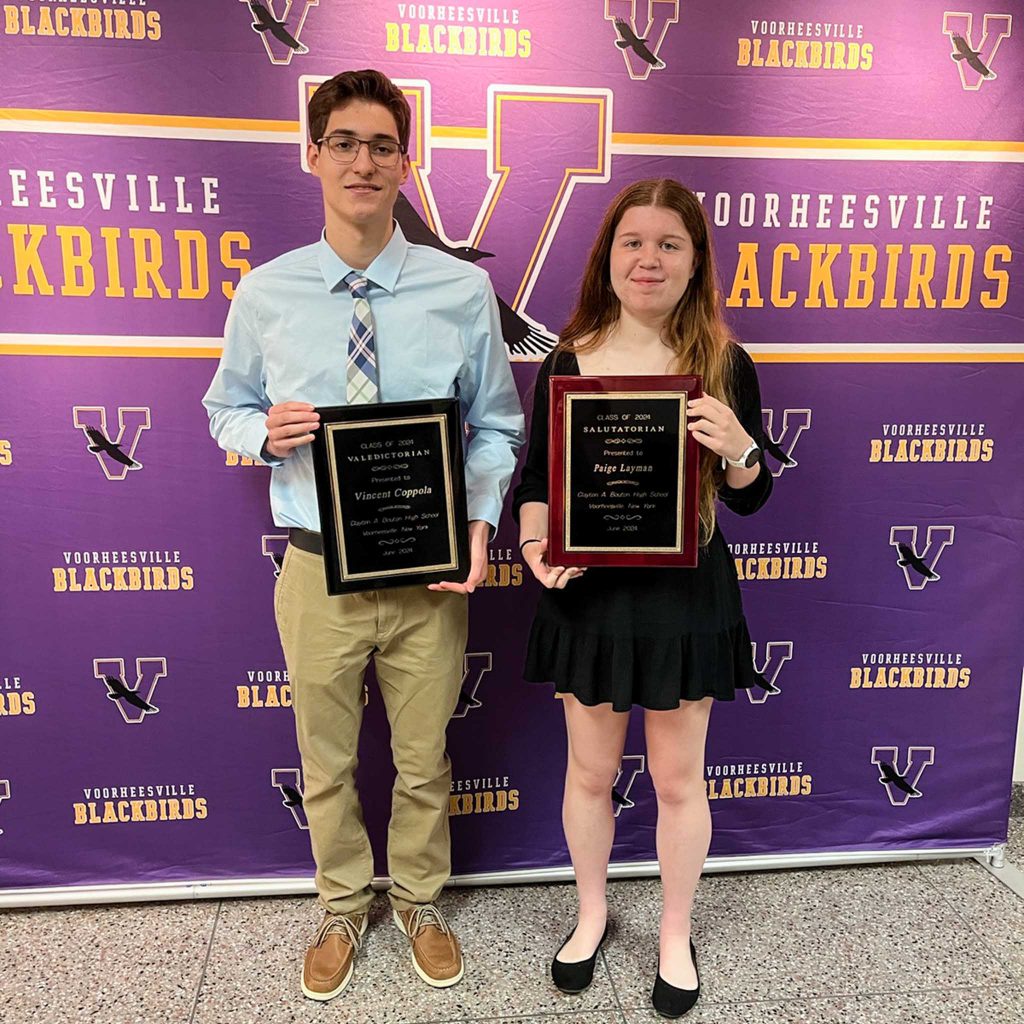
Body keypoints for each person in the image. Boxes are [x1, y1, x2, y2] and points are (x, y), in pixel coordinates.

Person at [203, 69, 524, 1001]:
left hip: (430, 578)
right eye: (343, 141)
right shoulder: (267, 294)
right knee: (326, 761)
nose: (363, 161)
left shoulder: (459, 291)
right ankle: (344, 905)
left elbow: (498, 425)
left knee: (425, 760)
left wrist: (477, 522)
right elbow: (224, 409)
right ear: (312, 154)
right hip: (316, 572)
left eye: (383, 145)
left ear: (406, 160)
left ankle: (421, 899)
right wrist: (262, 433)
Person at [512, 178, 772, 1019]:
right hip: (590, 600)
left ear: (696, 262)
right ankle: (591, 914)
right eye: (633, 241)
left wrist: (742, 451)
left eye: (670, 244)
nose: (648, 259)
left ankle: (673, 929)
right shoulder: (569, 358)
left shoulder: (725, 364)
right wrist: (532, 548)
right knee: (589, 774)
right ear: (608, 256)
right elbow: (536, 485)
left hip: (685, 600)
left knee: (676, 779)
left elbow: (750, 498)